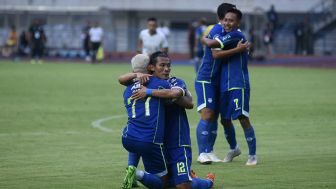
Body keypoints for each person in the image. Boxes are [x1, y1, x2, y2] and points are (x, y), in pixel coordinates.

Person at [120, 52, 215, 189]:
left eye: (168, 65)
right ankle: (138, 173)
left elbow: (189, 103)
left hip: (177, 141)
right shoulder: (145, 82)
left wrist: (152, 92)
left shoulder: (174, 82)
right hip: (157, 142)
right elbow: (122, 80)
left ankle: (207, 182)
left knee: (182, 186)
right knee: (163, 182)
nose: (166, 69)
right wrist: (137, 77)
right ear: (151, 67)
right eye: (162, 65)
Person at [206, 8, 257, 166]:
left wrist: (203, 37)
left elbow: (214, 51)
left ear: (237, 23)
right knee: (225, 120)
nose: (227, 23)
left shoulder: (236, 35)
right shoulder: (224, 33)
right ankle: (234, 148)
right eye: (226, 20)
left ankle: (253, 156)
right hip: (224, 85)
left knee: (242, 117)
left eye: (231, 20)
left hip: (237, 83)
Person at [194, 3, 237, 164]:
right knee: (207, 114)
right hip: (206, 78)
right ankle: (201, 153)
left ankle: (209, 151)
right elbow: (216, 54)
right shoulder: (217, 30)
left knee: (215, 116)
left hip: (219, 81)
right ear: (223, 16)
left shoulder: (230, 32)